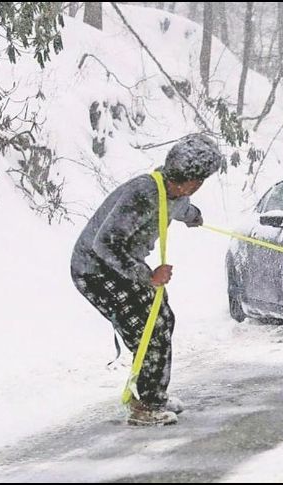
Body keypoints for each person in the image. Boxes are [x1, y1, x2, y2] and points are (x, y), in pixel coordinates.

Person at [70, 134, 225, 426]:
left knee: (163, 319)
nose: (199, 186)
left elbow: (181, 208)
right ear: (192, 180)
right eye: (201, 180)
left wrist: (195, 216)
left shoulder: (174, 194)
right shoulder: (143, 193)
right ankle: (145, 406)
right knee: (148, 330)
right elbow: (105, 244)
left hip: (123, 265)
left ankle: (155, 393)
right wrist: (148, 276)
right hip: (94, 269)